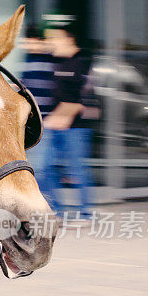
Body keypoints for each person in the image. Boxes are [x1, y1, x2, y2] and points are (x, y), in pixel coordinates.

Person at [40, 20, 94, 220]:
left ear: (68, 39)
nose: (50, 43)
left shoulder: (83, 62)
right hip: (56, 125)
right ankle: (56, 210)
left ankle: (86, 212)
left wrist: (61, 117)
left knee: (77, 170)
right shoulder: (58, 62)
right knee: (47, 168)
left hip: (76, 128)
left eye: (55, 38)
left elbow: (83, 99)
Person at [19, 24, 55, 175]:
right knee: (40, 167)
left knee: (40, 168)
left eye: (29, 42)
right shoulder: (29, 59)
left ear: (38, 40)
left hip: (47, 120)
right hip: (33, 121)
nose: (26, 45)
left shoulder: (50, 60)